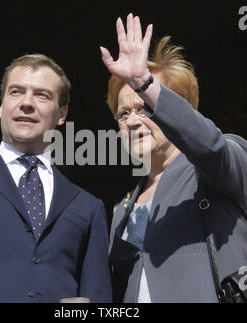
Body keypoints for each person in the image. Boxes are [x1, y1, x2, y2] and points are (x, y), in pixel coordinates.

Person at [100, 13, 247, 302]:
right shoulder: (122, 208)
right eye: (123, 114)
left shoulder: (219, 166)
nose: (131, 121)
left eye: (144, 108)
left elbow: (210, 146)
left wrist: (144, 81)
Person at [0, 54, 112, 303]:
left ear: (62, 113)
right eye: (16, 92)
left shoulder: (87, 207)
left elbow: (98, 298)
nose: (27, 103)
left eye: (42, 95)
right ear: (1, 106)